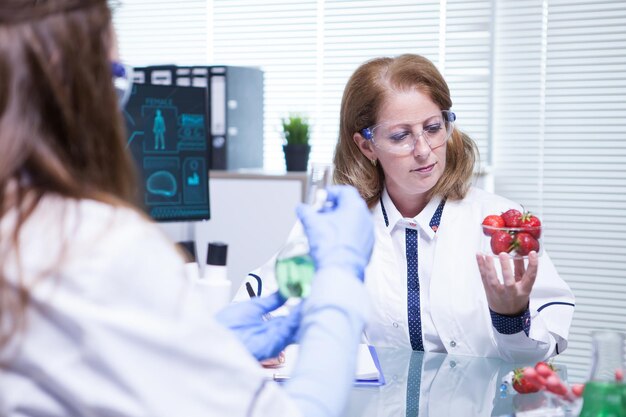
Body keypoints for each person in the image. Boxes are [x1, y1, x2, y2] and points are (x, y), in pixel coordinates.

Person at [0, 1, 375, 416]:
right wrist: (340, 281)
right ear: (76, 91)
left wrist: (203, 342)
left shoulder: (20, 225)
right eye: (117, 79)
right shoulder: (93, 243)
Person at [237, 54, 575, 363]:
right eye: (401, 136)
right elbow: (252, 309)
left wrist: (510, 316)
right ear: (367, 145)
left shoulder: (499, 225)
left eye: (432, 128)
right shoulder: (336, 225)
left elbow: (543, 348)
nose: (424, 150)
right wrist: (254, 343)